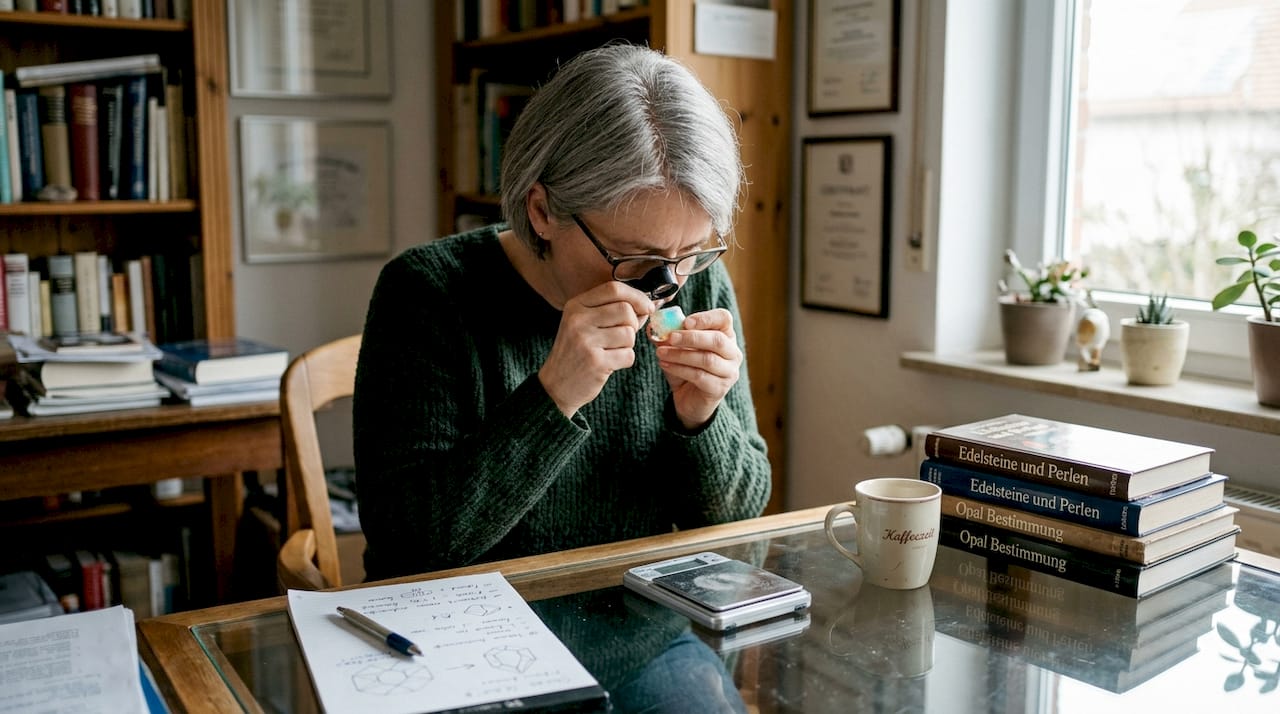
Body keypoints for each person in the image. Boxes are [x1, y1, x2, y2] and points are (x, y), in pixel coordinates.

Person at [353, 44, 771, 581]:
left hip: (637, 610)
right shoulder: (426, 292)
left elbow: (740, 520)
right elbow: (404, 545)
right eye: (634, 256)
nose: (666, 284)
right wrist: (553, 395)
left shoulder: (701, 281)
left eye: (689, 251)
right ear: (542, 211)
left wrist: (701, 419)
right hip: (470, 617)